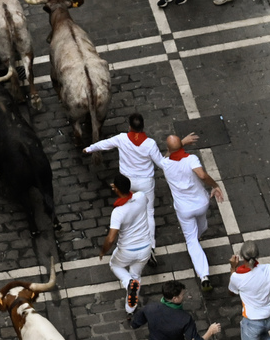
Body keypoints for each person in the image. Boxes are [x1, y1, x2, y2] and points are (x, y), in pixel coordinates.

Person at [83, 112, 166, 241]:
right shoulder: (150, 144)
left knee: (129, 209)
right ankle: (151, 245)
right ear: (143, 126)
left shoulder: (122, 138)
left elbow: (105, 144)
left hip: (127, 182)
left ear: (129, 126)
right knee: (149, 212)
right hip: (145, 182)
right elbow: (161, 163)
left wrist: (89, 148)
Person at [158, 134, 224, 291]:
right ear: (181, 146)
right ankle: (200, 233)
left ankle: (204, 276)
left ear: (168, 149)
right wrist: (215, 185)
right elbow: (201, 175)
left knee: (191, 241)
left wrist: (179, 144)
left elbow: (167, 156)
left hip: (184, 209)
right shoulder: (191, 159)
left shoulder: (166, 164)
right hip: (201, 203)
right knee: (202, 225)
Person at [98, 172, 154, 315]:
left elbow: (111, 238)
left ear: (116, 189)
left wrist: (103, 251)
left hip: (127, 250)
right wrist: (121, 188)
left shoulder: (118, 212)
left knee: (115, 265)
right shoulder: (141, 197)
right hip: (146, 248)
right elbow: (134, 196)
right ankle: (130, 309)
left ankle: (128, 283)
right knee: (136, 275)